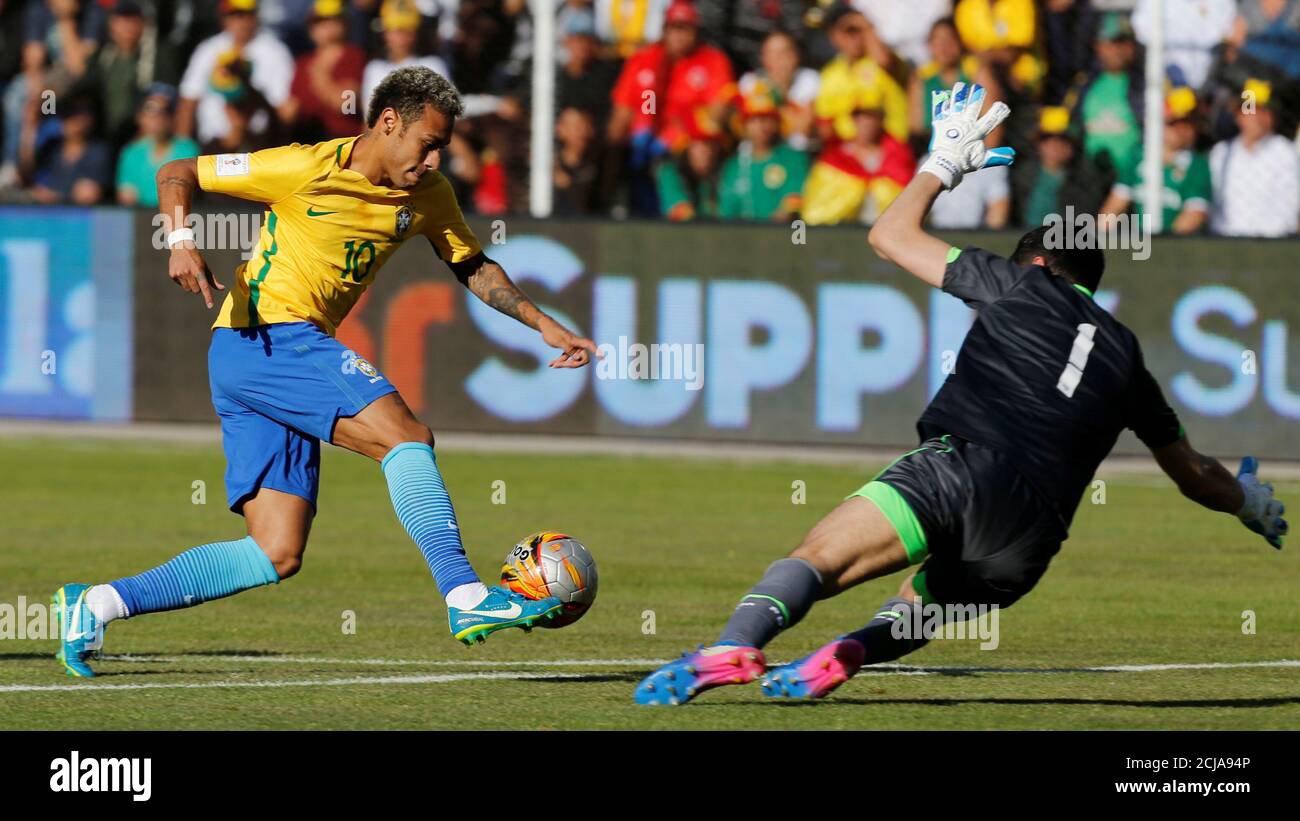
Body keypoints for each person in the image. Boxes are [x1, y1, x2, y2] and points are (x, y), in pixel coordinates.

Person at [634, 82, 1286, 705]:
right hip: (1028, 539)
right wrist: (1250, 502)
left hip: (961, 466)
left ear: (1033, 264)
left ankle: (733, 646)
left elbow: (889, 236)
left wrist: (941, 163)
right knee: (925, 602)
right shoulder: (1128, 358)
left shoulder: (1018, 284)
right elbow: (1194, 474)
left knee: (818, 560)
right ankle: (852, 651)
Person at [52, 67, 600, 678]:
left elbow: (471, 263)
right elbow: (177, 171)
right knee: (407, 437)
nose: (435, 158)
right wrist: (180, 240)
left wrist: (541, 323)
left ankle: (94, 604)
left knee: (276, 551)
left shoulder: (429, 193)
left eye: (443, 146)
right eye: (429, 143)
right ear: (389, 122)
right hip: (267, 336)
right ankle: (464, 596)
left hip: (255, 358)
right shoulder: (302, 166)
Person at [177, 0, 295, 146]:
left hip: (258, 144)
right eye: (234, 15)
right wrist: (182, 148)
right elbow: (188, 99)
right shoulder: (208, 49)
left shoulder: (275, 51)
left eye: (246, 14)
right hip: (213, 143)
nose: (240, 21)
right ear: (223, 18)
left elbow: (283, 107)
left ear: (256, 16)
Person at [1099, 87, 1212, 235]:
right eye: (1174, 122)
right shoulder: (1138, 156)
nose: (1182, 129)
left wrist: (1161, 250)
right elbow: (1114, 207)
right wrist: (1099, 239)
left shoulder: (1197, 165)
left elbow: (1193, 215)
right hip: (1138, 242)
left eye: (1189, 123)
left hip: (1173, 249)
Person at [802, 89, 915, 225]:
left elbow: (910, 198)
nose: (866, 123)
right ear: (853, 120)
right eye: (861, 117)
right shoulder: (835, 156)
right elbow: (818, 206)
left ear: (881, 121)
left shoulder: (897, 155)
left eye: (872, 118)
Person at [1209, 77, 1300, 236]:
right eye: (1249, 111)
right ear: (1238, 116)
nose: (1256, 118)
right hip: (1225, 241)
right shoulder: (1221, 153)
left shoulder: (1285, 152)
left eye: (1263, 111)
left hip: (1272, 242)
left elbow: (1290, 204)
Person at [280, 0, 367, 143]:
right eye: (319, 21)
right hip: (308, 142)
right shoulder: (303, 63)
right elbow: (292, 108)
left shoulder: (354, 57)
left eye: (333, 20)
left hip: (342, 141)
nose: (326, 26)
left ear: (345, 24)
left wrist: (321, 77)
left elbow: (347, 106)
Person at [718, 91, 809, 222]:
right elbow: (726, 212)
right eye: (754, 120)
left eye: (768, 119)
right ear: (743, 126)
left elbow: (794, 199)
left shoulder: (793, 159)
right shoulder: (733, 167)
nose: (762, 126)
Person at [361, 0, 451, 121]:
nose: (400, 38)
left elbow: (445, 112)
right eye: (394, 31)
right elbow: (369, 119)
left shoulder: (433, 65)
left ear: (415, 33)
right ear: (385, 34)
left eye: (405, 31)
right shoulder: (374, 69)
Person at [115, 84, 201, 207]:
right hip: (141, 220)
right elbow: (127, 196)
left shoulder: (188, 149)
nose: (157, 118)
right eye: (149, 110)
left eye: (165, 111)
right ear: (139, 117)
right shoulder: (131, 153)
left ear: (173, 116)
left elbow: (187, 194)